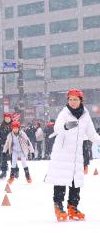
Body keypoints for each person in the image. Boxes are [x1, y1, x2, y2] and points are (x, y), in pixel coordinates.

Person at [45, 89, 100, 222]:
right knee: (61, 180)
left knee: (76, 182)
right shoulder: (64, 113)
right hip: (63, 153)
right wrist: (65, 126)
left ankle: (72, 207)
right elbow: (57, 128)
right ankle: (58, 206)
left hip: (76, 155)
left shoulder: (85, 116)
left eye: (76, 99)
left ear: (81, 101)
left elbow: (92, 134)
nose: (73, 102)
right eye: (70, 99)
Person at [0, 112, 13, 177]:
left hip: (12, 145)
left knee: (13, 159)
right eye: (6, 118)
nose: (7, 119)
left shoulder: (13, 125)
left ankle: (15, 170)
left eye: (8, 118)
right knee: (3, 158)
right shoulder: (1, 126)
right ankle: (4, 172)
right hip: (3, 144)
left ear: (10, 118)